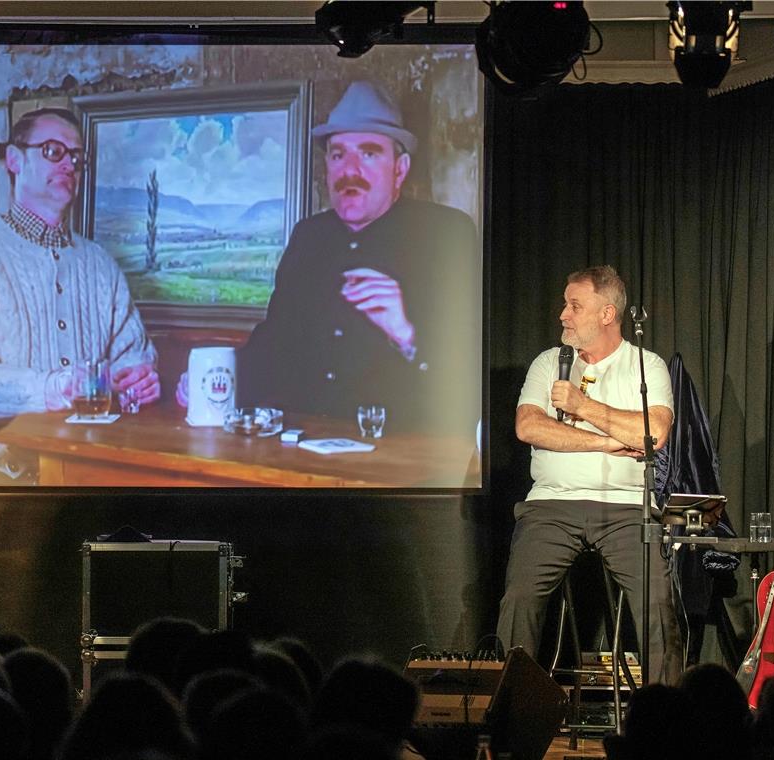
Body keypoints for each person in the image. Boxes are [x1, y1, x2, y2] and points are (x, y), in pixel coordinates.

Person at [176, 81, 479, 437]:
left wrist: (406, 334)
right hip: (304, 447)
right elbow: (275, 342)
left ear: (400, 168)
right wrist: (215, 378)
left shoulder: (446, 234)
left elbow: (470, 370)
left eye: (368, 153)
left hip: (407, 452)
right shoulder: (308, 236)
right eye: (338, 155)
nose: (349, 170)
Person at [0, 107, 160, 484]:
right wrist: (50, 388)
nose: (69, 165)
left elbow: (134, 354)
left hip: (79, 461)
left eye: (77, 158)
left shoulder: (100, 264)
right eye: (52, 151)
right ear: (13, 158)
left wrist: (140, 379)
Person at [496, 265, 683, 684]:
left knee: (658, 604)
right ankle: (513, 715)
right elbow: (529, 428)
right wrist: (608, 441)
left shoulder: (645, 366)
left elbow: (652, 433)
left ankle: (668, 713)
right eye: (565, 304)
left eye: (574, 305)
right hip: (550, 505)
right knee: (519, 598)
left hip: (626, 509)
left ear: (606, 314)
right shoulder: (548, 364)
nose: (563, 314)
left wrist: (582, 408)